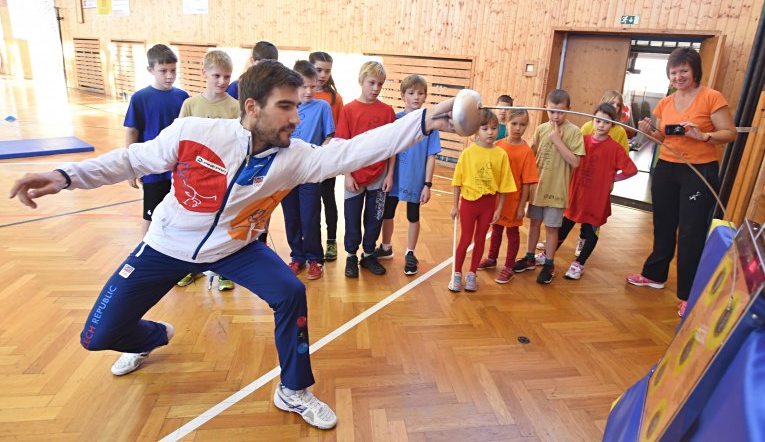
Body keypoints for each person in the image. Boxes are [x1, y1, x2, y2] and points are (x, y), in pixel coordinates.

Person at [8, 60, 456, 431]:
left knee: (290, 292)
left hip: (236, 248)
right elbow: (130, 159)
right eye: (285, 107)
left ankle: (293, 389)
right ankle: (152, 336)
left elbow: (353, 151)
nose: (295, 118)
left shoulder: (295, 156)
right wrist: (64, 176)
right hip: (165, 246)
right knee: (95, 337)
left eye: (297, 107)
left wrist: (422, 120)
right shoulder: (195, 132)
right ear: (252, 107)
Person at [626, 47, 737, 317]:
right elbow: (663, 139)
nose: (678, 76)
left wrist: (704, 136)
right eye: (674, 72)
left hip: (698, 171)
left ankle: (689, 293)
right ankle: (654, 275)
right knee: (663, 224)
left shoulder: (712, 97)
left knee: (691, 232)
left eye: (683, 70)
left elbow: (730, 133)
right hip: (666, 168)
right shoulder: (666, 102)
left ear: (695, 71)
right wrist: (649, 132)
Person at [175, 49, 239, 291]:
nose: (223, 82)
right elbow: (179, 138)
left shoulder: (235, 107)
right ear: (204, 73)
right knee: (194, 225)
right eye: (217, 76)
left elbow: (238, 143)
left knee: (221, 226)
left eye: (227, 76)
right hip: (194, 178)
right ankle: (191, 267)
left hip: (223, 178)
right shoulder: (190, 105)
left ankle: (224, 271)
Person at [513, 89, 585, 284]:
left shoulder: (574, 132)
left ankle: (549, 263)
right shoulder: (541, 129)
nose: (555, 116)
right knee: (534, 223)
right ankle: (529, 258)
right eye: (552, 111)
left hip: (557, 190)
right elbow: (532, 155)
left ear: (568, 110)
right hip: (538, 188)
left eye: (560, 112)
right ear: (546, 108)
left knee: (552, 229)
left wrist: (557, 141)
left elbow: (575, 162)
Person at [559, 103, 637, 280]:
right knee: (564, 226)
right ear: (593, 121)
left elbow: (631, 170)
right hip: (576, 195)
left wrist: (611, 179)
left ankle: (579, 263)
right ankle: (548, 255)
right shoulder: (582, 140)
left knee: (591, 231)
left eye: (606, 122)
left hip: (597, 199)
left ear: (612, 125)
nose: (601, 125)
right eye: (598, 120)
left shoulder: (615, 149)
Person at [335, 61, 396, 278]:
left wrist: (389, 174)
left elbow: (392, 147)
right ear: (361, 81)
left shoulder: (388, 111)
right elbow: (342, 146)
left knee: (374, 218)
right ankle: (351, 255)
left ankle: (368, 254)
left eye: (380, 84)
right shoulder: (349, 110)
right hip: (354, 176)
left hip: (379, 176)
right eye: (371, 83)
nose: (375, 88)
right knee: (352, 218)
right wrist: (348, 174)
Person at [375, 75, 441, 275]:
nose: (416, 97)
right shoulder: (395, 119)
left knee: (413, 215)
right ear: (403, 95)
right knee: (388, 212)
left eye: (420, 93)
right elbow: (390, 150)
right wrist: (388, 175)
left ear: (425, 96)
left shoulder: (430, 124)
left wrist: (427, 184)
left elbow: (431, 156)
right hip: (394, 177)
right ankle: (386, 247)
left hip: (415, 179)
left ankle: (410, 253)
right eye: (411, 93)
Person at [123, 44, 189, 237]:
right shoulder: (140, 98)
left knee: (178, 213)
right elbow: (132, 131)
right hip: (152, 168)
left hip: (177, 168)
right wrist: (130, 165)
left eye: (173, 70)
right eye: (163, 71)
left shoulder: (182, 97)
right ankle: (144, 251)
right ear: (150, 70)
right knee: (150, 214)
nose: (169, 75)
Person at [449, 109, 517, 292]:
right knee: (465, 239)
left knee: (480, 240)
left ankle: (472, 274)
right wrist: (455, 205)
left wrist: (498, 208)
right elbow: (457, 181)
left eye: (494, 128)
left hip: (488, 204)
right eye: (485, 128)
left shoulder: (501, 154)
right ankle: (457, 274)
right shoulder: (468, 153)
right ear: (476, 130)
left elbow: (504, 186)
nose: (490, 132)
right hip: (469, 204)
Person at [280, 60, 335, 280]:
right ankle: (297, 257)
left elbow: (329, 135)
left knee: (310, 217)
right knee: (291, 216)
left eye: (313, 86)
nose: (309, 91)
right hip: (286, 173)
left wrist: (318, 154)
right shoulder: (286, 107)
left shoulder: (323, 107)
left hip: (311, 172)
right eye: (304, 86)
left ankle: (315, 259)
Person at [476, 109, 539, 284]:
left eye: (523, 124)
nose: (518, 128)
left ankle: (509, 267)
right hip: (496, 200)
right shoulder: (498, 145)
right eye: (514, 124)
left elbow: (527, 182)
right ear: (507, 123)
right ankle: (491, 258)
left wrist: (521, 206)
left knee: (512, 232)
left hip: (514, 201)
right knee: (496, 229)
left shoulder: (526, 151)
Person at [309, 51, 344, 262]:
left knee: (328, 199)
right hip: (305, 161)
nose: (323, 75)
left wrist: (326, 151)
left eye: (327, 71)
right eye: (318, 70)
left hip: (326, 159)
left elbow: (337, 130)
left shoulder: (334, 98)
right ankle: (312, 243)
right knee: (310, 204)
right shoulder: (301, 93)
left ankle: (331, 241)